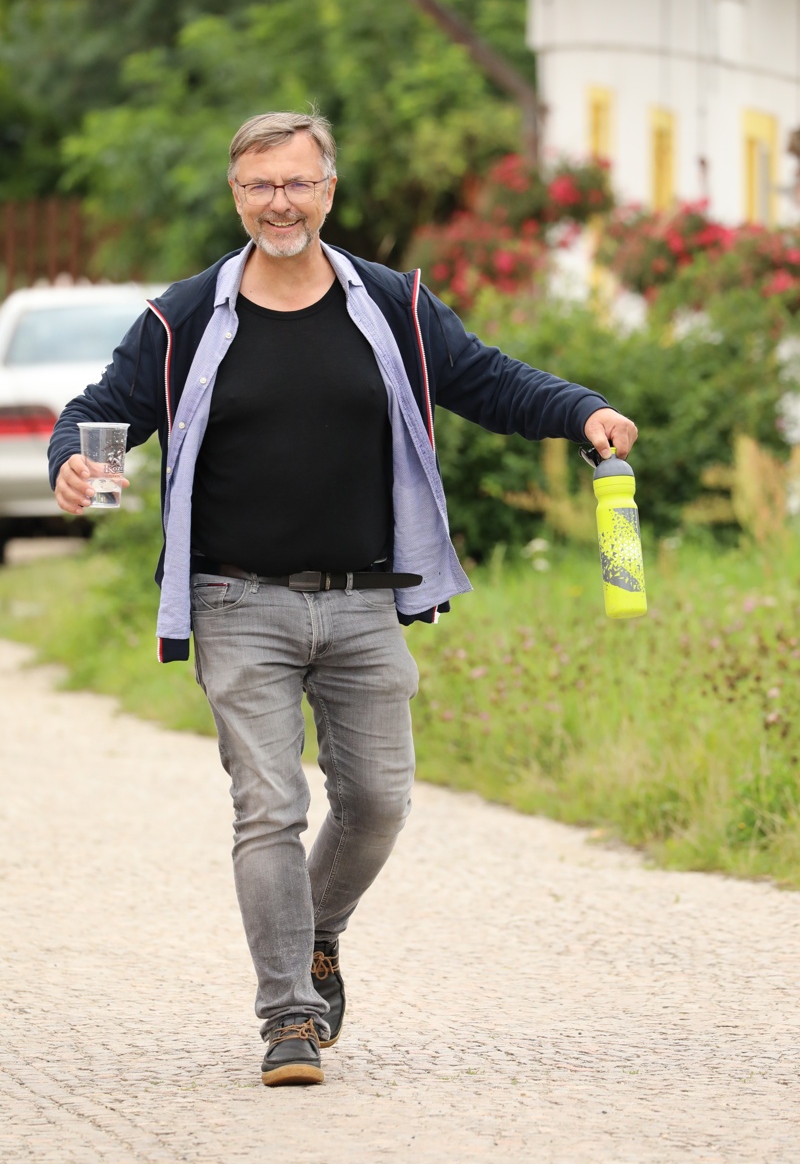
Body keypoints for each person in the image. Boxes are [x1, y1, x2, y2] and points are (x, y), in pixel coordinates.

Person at [49, 109, 637, 1087]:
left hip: (366, 599)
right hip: (235, 601)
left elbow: (487, 381)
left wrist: (582, 409)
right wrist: (73, 460)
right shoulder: (183, 318)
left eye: (296, 183)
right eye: (259, 185)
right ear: (235, 194)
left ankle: (315, 931)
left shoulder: (393, 306)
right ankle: (288, 1014)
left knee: (377, 803)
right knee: (268, 806)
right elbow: (99, 414)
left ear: (328, 190)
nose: (278, 202)